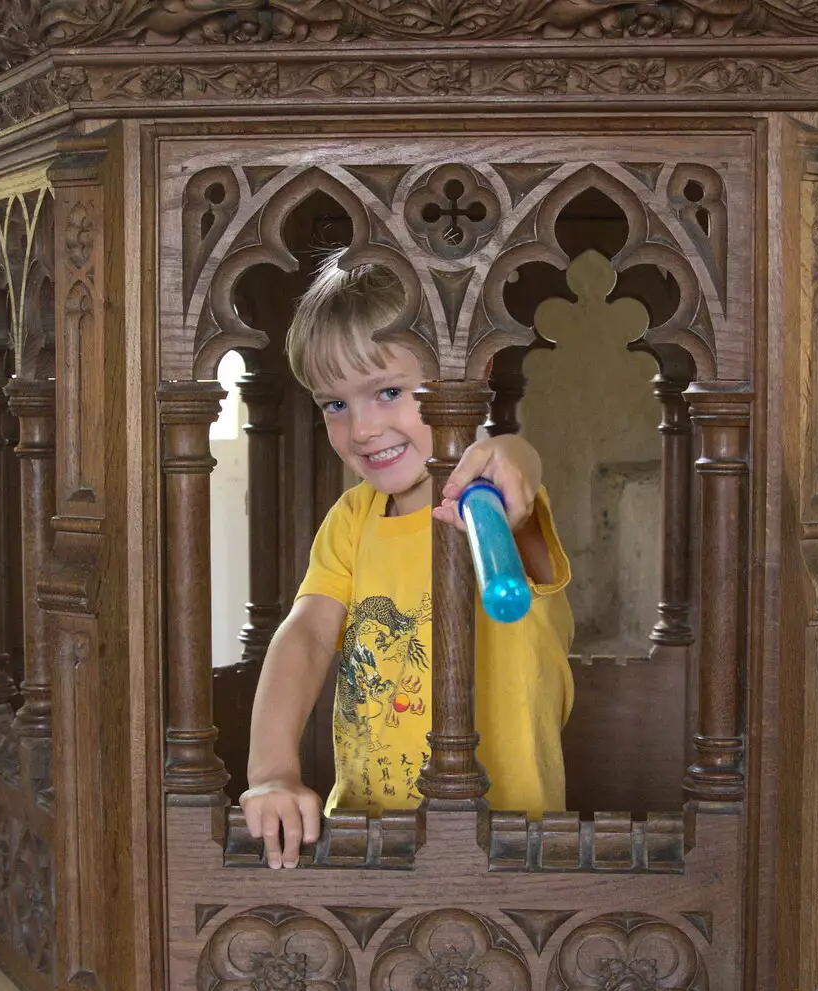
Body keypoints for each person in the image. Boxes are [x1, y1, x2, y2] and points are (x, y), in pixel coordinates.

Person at [239, 251, 575, 869]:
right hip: (369, 841)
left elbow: (517, 483)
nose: (361, 429)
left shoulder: (493, 504)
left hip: (508, 848)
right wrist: (273, 771)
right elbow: (310, 636)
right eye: (334, 404)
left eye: (388, 392)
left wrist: (514, 451)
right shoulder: (352, 518)